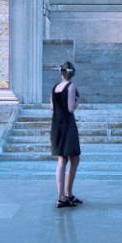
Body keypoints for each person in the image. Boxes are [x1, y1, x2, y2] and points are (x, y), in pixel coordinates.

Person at [51, 61, 82, 208]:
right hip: (68, 126)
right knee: (74, 159)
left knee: (61, 160)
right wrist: (77, 101)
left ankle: (61, 197)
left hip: (56, 126)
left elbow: (52, 106)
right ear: (71, 74)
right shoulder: (71, 86)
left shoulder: (55, 87)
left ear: (61, 73)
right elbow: (70, 108)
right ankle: (68, 193)